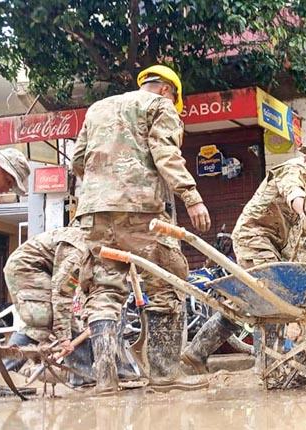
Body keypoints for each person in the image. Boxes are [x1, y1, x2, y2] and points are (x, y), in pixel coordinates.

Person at [72, 64, 211, 394]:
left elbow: (78, 160)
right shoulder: (159, 106)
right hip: (141, 210)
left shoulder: (97, 108)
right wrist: (191, 196)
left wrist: (101, 187)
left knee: (104, 291)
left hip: (93, 211)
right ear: (167, 90)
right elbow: (165, 152)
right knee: (169, 281)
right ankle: (164, 373)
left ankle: (105, 378)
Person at [181, 135, 306, 373]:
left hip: (277, 242)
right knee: (270, 295)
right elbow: (294, 193)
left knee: (246, 302)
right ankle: (269, 365)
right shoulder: (294, 168)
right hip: (254, 235)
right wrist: (305, 209)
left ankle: (196, 354)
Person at [0, 227, 88, 397]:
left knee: (69, 322)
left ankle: (83, 376)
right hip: (26, 268)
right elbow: (62, 292)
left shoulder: (92, 249)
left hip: (41, 270)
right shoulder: (80, 252)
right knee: (42, 318)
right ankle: (1, 380)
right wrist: (63, 338)